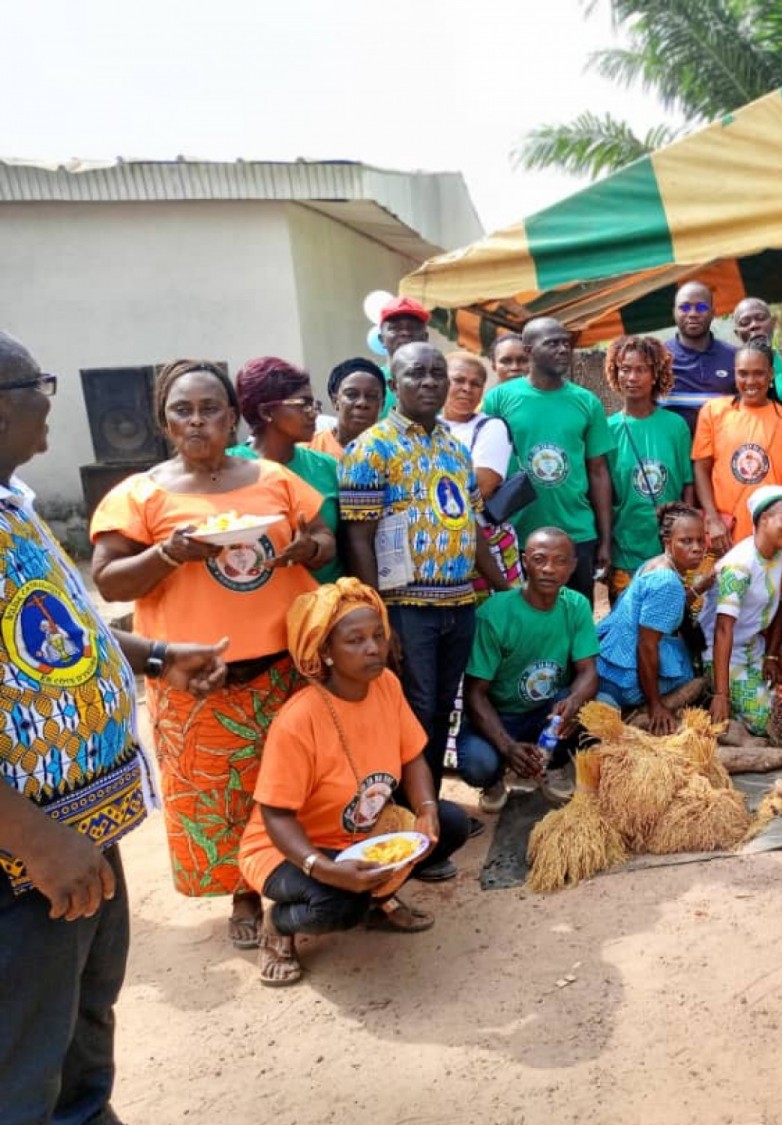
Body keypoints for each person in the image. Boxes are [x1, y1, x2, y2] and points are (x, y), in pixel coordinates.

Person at [0, 332, 230, 1125]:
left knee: (81, 1032)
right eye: (39, 382)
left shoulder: (12, 505)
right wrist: (32, 837)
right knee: (22, 1061)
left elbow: (63, 635)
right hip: (26, 859)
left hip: (83, 832)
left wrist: (158, 654)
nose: (49, 398)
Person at [91, 359, 334, 945]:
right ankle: (243, 894)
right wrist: (170, 553)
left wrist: (306, 548)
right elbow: (109, 582)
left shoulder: (272, 478)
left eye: (209, 409)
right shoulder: (139, 495)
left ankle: (294, 883)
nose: (197, 421)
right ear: (165, 422)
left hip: (283, 671)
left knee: (288, 787)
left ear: (231, 417)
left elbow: (325, 538)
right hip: (196, 678)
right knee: (218, 797)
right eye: (183, 411)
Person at [239, 580, 469, 987]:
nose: (373, 648)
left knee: (448, 825)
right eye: (355, 640)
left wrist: (427, 810)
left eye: (378, 635)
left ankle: (377, 896)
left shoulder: (386, 686)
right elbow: (275, 816)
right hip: (288, 850)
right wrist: (324, 868)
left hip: (357, 836)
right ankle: (278, 924)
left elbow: (412, 755)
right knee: (338, 903)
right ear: (325, 652)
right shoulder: (299, 721)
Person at [341, 343, 508, 881]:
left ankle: (426, 820)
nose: (432, 382)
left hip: (458, 605)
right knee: (412, 719)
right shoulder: (372, 449)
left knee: (438, 717)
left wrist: (504, 588)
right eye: (418, 373)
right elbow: (358, 539)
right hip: (406, 610)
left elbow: (471, 526)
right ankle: (414, 836)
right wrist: (376, 622)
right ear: (396, 381)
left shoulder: (454, 448)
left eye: (439, 373)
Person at [459, 529, 600, 800]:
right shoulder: (494, 613)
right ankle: (494, 778)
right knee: (479, 765)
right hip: (499, 716)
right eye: (539, 559)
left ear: (572, 566)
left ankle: (553, 764)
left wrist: (575, 702)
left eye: (560, 561)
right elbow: (474, 694)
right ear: (525, 561)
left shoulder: (576, 605)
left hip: (544, 712)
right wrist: (508, 747)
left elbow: (588, 672)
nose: (549, 569)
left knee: (590, 705)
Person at [482, 317, 615, 599]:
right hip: (516, 533)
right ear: (529, 350)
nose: (562, 349)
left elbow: (598, 471)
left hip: (576, 533)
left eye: (566, 343)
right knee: (522, 623)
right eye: (552, 343)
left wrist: (604, 538)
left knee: (574, 617)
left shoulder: (587, 401)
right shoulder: (498, 399)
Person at [595, 503, 711, 732]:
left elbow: (666, 610)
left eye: (700, 540)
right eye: (686, 541)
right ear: (668, 542)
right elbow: (647, 646)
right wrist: (656, 705)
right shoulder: (666, 582)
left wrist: (700, 587)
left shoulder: (655, 563)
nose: (697, 548)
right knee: (691, 675)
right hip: (624, 678)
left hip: (610, 662)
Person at [229, 356, 343, 583]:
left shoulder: (327, 467)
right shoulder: (228, 469)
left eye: (314, 404)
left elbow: (347, 544)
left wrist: (313, 549)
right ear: (266, 412)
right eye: (303, 405)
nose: (314, 413)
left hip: (325, 604)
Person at [693, 340, 782, 552]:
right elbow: (701, 468)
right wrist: (712, 519)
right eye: (743, 373)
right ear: (734, 373)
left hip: (770, 539)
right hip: (724, 535)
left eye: (759, 373)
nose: (750, 381)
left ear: (771, 374)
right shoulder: (713, 412)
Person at [704, 486, 782, 737]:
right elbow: (723, 630)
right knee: (768, 720)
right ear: (764, 519)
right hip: (723, 655)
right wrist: (721, 694)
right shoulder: (739, 565)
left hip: (754, 648)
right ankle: (717, 696)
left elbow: (780, 605)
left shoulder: (778, 553)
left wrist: (770, 656)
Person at [603, 335, 695, 600]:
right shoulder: (608, 429)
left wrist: (687, 535)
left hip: (670, 550)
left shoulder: (675, 425)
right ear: (615, 373)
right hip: (626, 549)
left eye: (641, 369)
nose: (632, 377)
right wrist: (606, 544)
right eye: (625, 369)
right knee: (626, 626)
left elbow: (687, 483)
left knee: (668, 626)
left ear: (655, 375)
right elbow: (604, 493)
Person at [442, 349, 520, 587]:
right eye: (458, 380)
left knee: (496, 619)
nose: (467, 388)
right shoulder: (425, 426)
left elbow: (480, 487)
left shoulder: (490, 427)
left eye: (475, 383)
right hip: (437, 546)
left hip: (486, 542)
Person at [659, 280, 739, 433]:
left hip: (723, 452)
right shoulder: (658, 358)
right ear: (674, 312)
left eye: (701, 307)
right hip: (674, 453)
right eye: (685, 307)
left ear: (713, 312)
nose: (693, 314)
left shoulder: (735, 357)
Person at [311, 357, 386, 457]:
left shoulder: (398, 453)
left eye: (372, 396)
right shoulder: (309, 451)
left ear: (382, 404)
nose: (362, 403)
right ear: (335, 401)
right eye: (351, 394)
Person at [376, 296, 432, 414]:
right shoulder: (371, 383)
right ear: (381, 339)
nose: (405, 333)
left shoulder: (439, 383)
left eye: (413, 328)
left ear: (425, 338)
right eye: (395, 328)